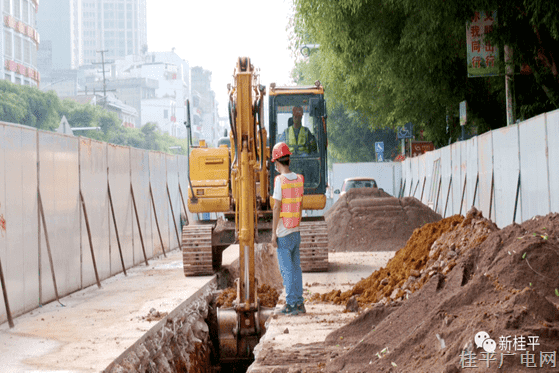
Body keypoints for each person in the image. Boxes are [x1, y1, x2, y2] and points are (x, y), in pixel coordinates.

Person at [270, 142, 306, 316]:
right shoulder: (299, 179)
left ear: (277, 162)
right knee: (296, 268)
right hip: (296, 230)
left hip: (284, 231)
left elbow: (277, 208)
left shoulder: (280, 181)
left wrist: (273, 234)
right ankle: (299, 302)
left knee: (287, 270)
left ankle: (291, 305)